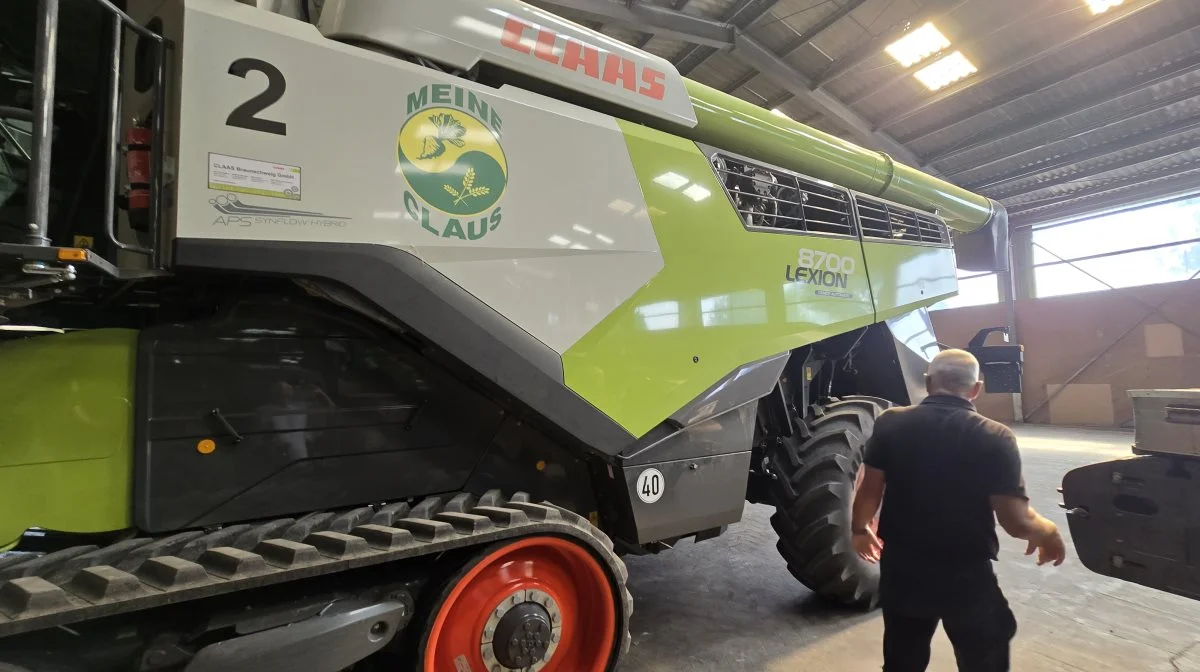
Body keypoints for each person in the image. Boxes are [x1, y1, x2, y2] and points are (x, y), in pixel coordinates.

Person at [850, 348, 1066, 672]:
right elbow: (1015, 521)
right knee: (984, 655)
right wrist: (1048, 531)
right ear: (976, 388)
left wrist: (859, 528)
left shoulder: (891, 423)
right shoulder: (995, 436)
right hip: (965, 575)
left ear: (927, 382)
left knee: (902, 656)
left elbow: (869, 488)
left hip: (903, 571)